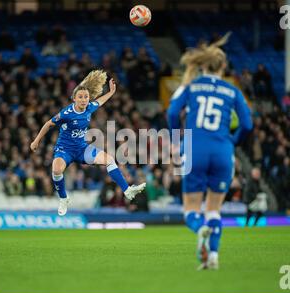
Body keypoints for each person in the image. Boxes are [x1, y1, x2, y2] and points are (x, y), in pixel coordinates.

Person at [167, 33, 253, 270]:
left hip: (194, 147)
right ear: (223, 67)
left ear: (202, 65)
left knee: (191, 210)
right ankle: (213, 256)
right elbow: (247, 125)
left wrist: (176, 140)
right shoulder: (233, 91)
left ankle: (199, 227)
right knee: (214, 209)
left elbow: (173, 113)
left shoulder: (190, 86)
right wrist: (232, 143)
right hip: (222, 149)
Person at [30, 70, 146, 215]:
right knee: (56, 170)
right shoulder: (67, 113)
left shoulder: (89, 108)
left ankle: (127, 191)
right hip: (65, 150)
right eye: (81, 97)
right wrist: (36, 141)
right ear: (74, 99)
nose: (84, 100)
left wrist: (111, 92)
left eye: (86, 97)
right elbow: (48, 124)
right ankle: (63, 199)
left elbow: (101, 101)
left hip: (81, 149)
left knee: (109, 159)